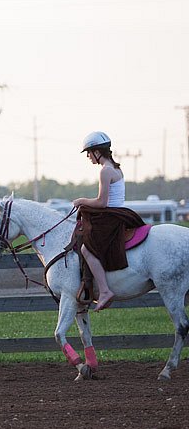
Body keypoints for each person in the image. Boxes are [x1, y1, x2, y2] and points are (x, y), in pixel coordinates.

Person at [72, 131, 144, 311]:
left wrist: (81, 201)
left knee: (86, 249)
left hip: (110, 216)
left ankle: (104, 290)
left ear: (97, 151)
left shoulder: (105, 171)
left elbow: (101, 203)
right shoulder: (116, 168)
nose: (88, 156)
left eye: (89, 152)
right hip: (118, 213)